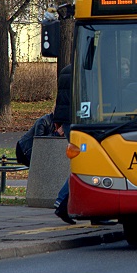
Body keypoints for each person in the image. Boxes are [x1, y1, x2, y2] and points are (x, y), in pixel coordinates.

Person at [52, 64, 75, 224]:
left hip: (65, 120)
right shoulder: (85, 68)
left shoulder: (65, 70)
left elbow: (61, 99)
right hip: (76, 120)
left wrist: (58, 123)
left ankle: (62, 202)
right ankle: (62, 201)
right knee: (84, 164)